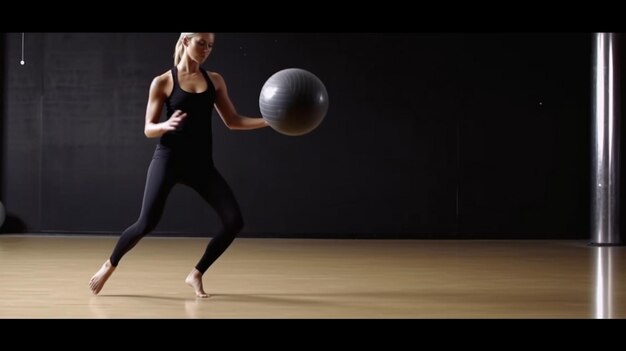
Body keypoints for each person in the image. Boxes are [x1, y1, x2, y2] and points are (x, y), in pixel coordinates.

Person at [89, 33, 269, 298]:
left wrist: (268, 121)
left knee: (234, 221)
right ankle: (110, 264)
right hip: (168, 160)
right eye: (201, 43)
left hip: (201, 166)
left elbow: (232, 120)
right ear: (186, 41)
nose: (207, 49)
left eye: (210, 45)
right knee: (145, 223)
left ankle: (196, 273)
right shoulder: (163, 82)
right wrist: (165, 125)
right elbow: (148, 128)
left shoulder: (215, 80)